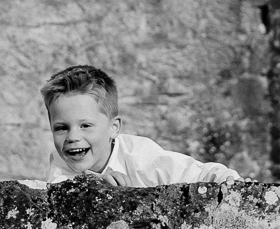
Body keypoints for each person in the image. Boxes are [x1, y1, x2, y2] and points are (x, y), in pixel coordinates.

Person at [40, 65, 242, 186]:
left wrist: (231, 183)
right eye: (61, 128)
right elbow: (61, 194)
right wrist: (97, 190)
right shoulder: (60, 164)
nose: (72, 137)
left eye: (85, 125)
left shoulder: (141, 157)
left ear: (114, 127)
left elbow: (200, 173)